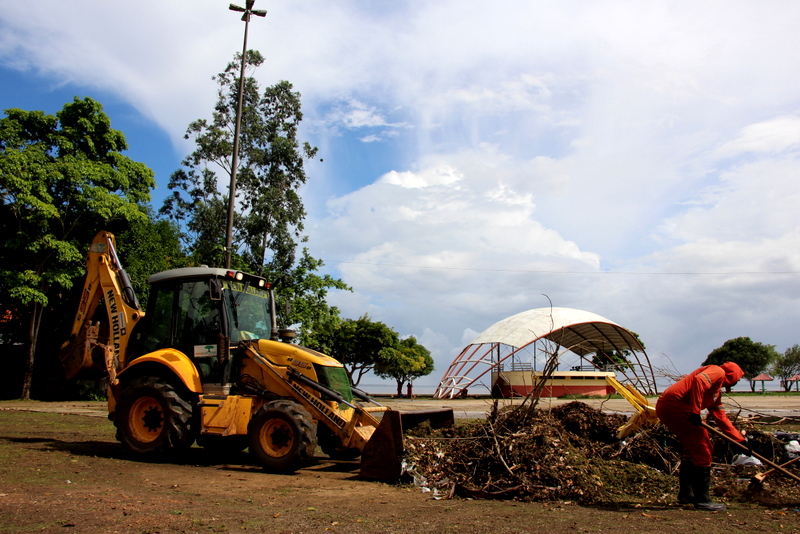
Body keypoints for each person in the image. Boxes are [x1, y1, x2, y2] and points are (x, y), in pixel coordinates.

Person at [655, 361, 747, 511]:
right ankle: (702, 500)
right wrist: (695, 411)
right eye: (738, 378)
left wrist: (741, 441)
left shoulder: (715, 392)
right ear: (733, 375)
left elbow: (720, 416)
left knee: (692, 449)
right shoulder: (718, 371)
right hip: (675, 405)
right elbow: (699, 380)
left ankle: (687, 494)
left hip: (669, 406)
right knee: (703, 448)